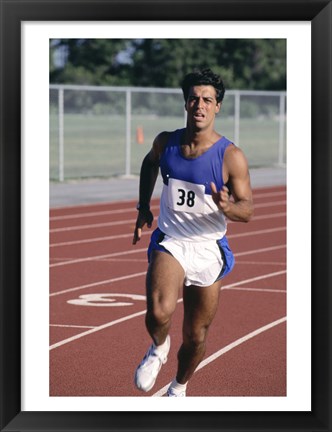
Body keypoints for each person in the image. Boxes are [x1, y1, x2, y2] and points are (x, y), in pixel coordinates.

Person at [132, 68, 254, 397]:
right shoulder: (166, 143)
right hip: (172, 240)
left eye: (207, 100)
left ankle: (178, 388)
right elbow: (149, 163)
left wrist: (229, 207)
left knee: (196, 335)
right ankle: (158, 348)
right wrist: (143, 207)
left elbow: (248, 209)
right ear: (186, 103)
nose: (200, 105)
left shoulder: (231, 157)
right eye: (194, 98)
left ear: (217, 107)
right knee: (159, 311)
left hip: (207, 248)